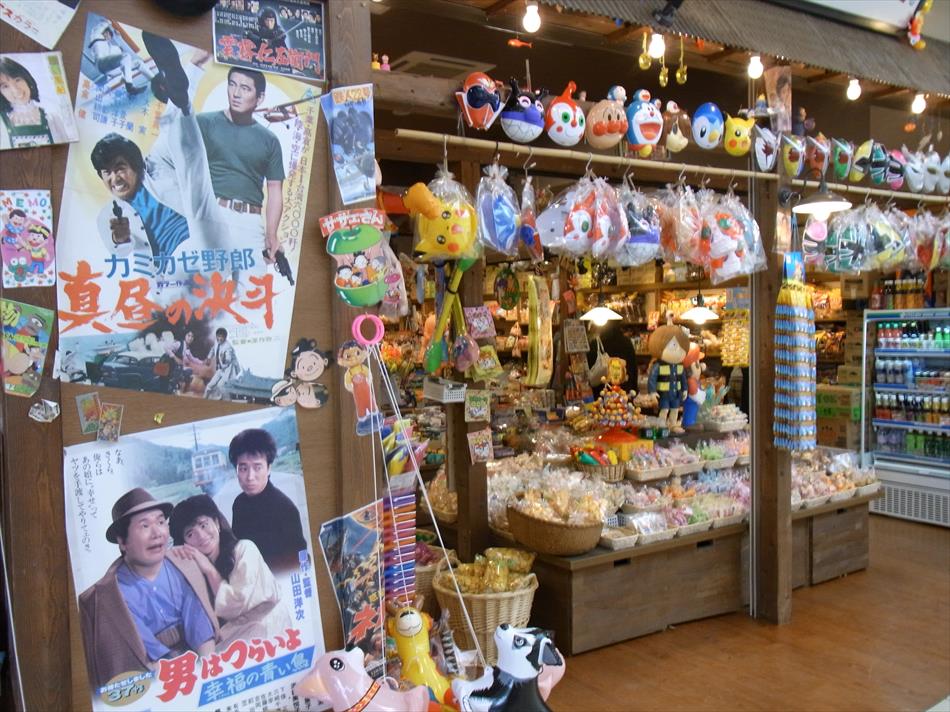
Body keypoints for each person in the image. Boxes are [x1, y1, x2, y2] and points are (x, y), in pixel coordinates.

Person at [78, 489, 218, 689]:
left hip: (200, 664)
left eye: (160, 522)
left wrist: (207, 673)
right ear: (122, 541)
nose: (157, 533)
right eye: (144, 525)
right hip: (155, 678)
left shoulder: (184, 565)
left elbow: (201, 628)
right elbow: (142, 657)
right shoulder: (108, 598)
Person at [169, 495, 292, 648]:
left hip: (270, 629)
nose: (201, 536)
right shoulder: (196, 570)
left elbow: (237, 604)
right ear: (185, 543)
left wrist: (209, 571)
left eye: (203, 525)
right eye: (190, 534)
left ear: (217, 523)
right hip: (239, 634)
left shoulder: (245, 549)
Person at [196, 67, 285, 266]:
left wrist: (271, 233)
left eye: (245, 88)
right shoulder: (204, 123)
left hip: (250, 222)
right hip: (212, 212)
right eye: (232, 85)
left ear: (260, 98)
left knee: (254, 284)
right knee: (206, 283)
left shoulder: (269, 140)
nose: (236, 93)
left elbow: (274, 189)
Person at [228, 428, 306, 571]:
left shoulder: (285, 509)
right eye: (243, 469)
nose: (250, 477)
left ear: (269, 468)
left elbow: (301, 562)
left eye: (257, 467)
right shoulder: (238, 504)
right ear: (236, 470)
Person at [0, 56, 74, 149]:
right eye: (5, 86)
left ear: (27, 80)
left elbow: (66, 150)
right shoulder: (2, 123)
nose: (15, 90)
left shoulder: (51, 117)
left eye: (17, 80)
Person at [86, 22, 156, 97]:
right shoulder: (97, 38)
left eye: (109, 35)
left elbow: (125, 64)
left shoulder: (113, 48)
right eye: (106, 33)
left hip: (111, 71)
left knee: (138, 63)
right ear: (103, 33)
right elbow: (100, 27)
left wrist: (119, 38)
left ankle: (155, 81)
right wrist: (110, 23)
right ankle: (130, 87)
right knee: (126, 56)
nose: (107, 36)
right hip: (101, 63)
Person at [204, 327, 242, 399]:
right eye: (218, 336)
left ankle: (227, 401)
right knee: (210, 385)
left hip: (229, 370)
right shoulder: (216, 342)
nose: (219, 338)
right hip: (221, 369)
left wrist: (224, 359)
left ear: (225, 337)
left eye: (221, 337)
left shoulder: (228, 347)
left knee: (221, 385)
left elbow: (228, 360)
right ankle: (204, 399)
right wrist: (209, 358)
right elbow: (213, 349)